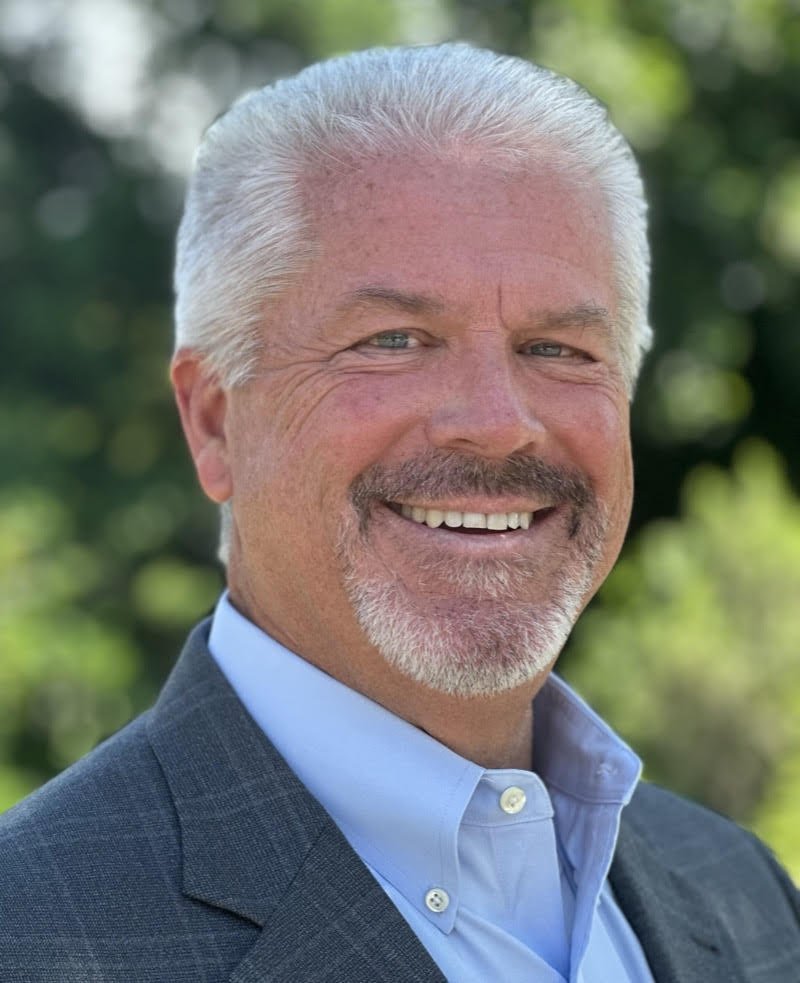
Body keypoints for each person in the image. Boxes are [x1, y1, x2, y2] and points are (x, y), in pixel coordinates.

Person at [0, 42, 797, 983]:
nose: (499, 426)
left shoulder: (745, 896)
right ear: (216, 422)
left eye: (557, 347)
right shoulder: (34, 934)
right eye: (394, 340)